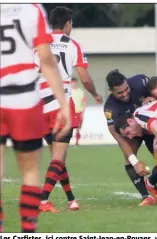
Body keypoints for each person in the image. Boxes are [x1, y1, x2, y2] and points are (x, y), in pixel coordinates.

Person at [0, 3, 70, 232]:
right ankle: (28, 229)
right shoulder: (32, 9)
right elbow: (46, 59)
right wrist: (63, 104)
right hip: (24, 98)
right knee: (29, 170)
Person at [36, 6, 103, 213]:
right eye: (71, 23)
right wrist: (95, 94)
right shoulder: (73, 45)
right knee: (58, 157)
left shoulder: (38, 45)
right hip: (60, 105)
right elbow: (84, 78)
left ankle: (71, 198)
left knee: (58, 157)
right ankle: (42, 200)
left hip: (40, 105)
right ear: (67, 24)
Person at [103, 69, 157, 206]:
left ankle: (152, 182)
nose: (125, 94)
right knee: (128, 158)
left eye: (126, 89)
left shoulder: (140, 81)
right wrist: (135, 162)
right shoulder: (110, 109)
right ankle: (146, 196)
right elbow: (119, 138)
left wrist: (152, 98)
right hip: (132, 132)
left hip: (151, 127)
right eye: (120, 93)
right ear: (111, 91)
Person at [71, 77, 86, 147]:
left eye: (74, 82)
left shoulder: (80, 91)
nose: (73, 84)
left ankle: (76, 142)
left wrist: (82, 113)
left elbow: (83, 102)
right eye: (72, 83)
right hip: (71, 112)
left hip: (78, 111)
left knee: (77, 128)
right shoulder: (69, 91)